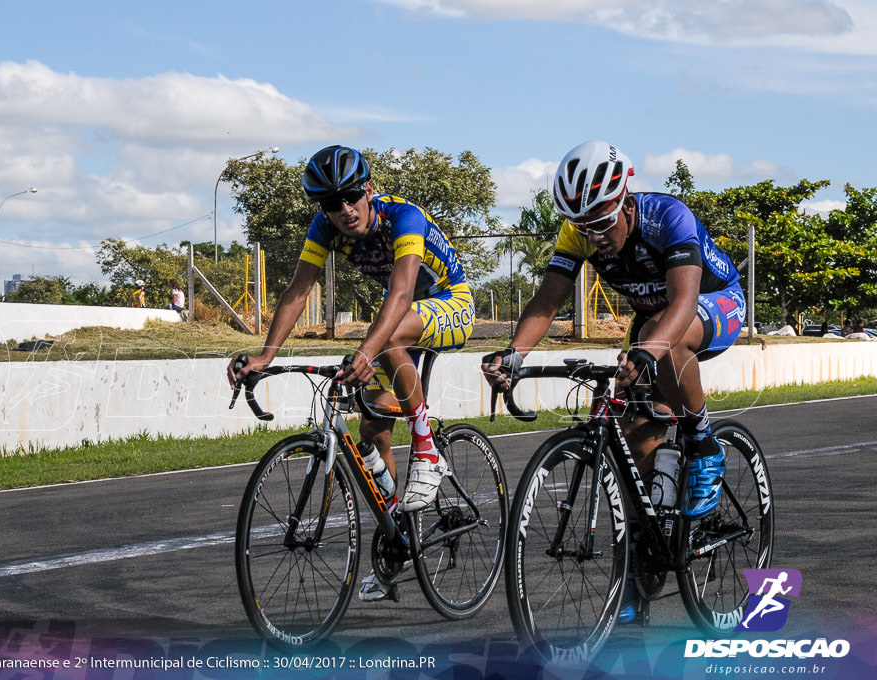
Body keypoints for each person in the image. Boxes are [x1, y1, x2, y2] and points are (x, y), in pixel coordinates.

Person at [482, 140, 744, 621]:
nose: (594, 236)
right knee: (634, 437)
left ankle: (703, 442)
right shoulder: (579, 234)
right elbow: (547, 301)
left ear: (625, 199)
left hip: (712, 304)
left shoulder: (669, 216)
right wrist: (515, 354)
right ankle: (644, 567)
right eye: (584, 226)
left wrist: (646, 351)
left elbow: (683, 304)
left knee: (659, 335)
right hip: (652, 324)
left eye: (602, 223)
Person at [227, 145, 474, 601]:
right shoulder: (325, 227)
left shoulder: (404, 217)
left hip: (450, 304)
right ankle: (399, 540)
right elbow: (298, 291)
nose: (343, 210)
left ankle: (427, 449)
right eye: (329, 202)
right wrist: (265, 354)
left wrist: (365, 351)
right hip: (403, 318)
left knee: (389, 334)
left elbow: (400, 294)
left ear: (369, 190)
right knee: (372, 427)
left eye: (351, 196)